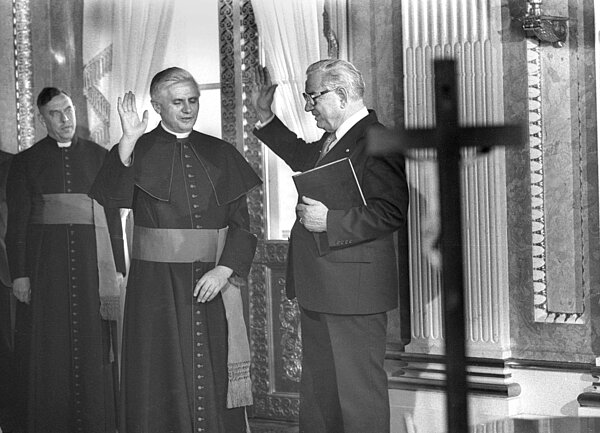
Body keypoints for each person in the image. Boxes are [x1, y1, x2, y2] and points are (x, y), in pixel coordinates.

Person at [89, 67, 261, 433]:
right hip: (156, 288)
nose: (188, 109)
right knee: (159, 371)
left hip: (212, 281)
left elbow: (243, 225)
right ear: (157, 105)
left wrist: (224, 270)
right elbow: (109, 196)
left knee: (213, 372)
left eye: (193, 100)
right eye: (178, 102)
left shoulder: (221, 152)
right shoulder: (137, 150)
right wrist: (127, 142)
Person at [250, 59, 409, 433]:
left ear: (340, 95)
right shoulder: (334, 139)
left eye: (313, 97)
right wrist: (265, 116)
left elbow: (391, 212)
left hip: (354, 294)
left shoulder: (376, 140)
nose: (308, 106)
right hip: (322, 288)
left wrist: (330, 221)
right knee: (321, 395)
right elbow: (305, 158)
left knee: (358, 398)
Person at [5, 87, 126, 433]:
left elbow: (113, 218)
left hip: (94, 266)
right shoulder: (26, 162)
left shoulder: (102, 156)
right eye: (55, 114)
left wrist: (117, 267)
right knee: (50, 346)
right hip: (47, 267)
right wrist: (20, 275)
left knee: (94, 345)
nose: (65, 120)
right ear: (42, 119)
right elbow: (17, 225)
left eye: (69, 110)